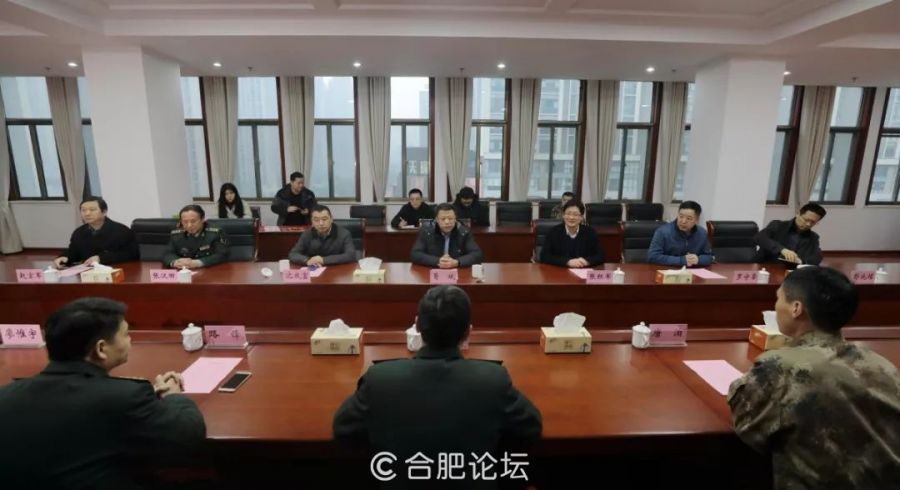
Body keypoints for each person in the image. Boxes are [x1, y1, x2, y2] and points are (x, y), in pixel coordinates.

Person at [333, 286, 542, 486]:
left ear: (417, 326)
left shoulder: (379, 379)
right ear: (468, 332)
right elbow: (531, 427)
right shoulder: (493, 379)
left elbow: (343, 428)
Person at [0, 297, 206, 490]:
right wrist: (173, 395)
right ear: (101, 349)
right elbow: (188, 435)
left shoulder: (6, 396)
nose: (130, 340)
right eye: (126, 334)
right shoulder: (124, 398)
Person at [728, 267, 900, 489]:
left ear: (796, 308)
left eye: (778, 298)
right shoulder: (882, 366)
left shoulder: (780, 367)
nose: (775, 306)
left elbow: (748, 424)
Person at [53, 197, 139, 268]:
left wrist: (101, 258)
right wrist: (65, 257)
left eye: (92, 210)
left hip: (116, 270)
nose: (87, 213)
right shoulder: (78, 232)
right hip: (88, 273)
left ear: (104, 212)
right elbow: (73, 251)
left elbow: (132, 254)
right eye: (83, 210)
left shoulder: (122, 231)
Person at [411, 203, 483, 268]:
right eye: (443, 219)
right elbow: (415, 254)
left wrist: (457, 262)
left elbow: (477, 254)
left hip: (457, 271)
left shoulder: (464, 232)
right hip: (434, 271)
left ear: (455, 219)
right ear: (437, 220)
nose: (447, 222)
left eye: (450, 218)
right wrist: (437, 261)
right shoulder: (426, 232)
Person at [755, 203, 826, 266]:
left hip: (792, 270)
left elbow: (817, 257)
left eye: (813, 222)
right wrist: (782, 249)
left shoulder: (813, 237)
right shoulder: (778, 225)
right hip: (766, 265)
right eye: (806, 220)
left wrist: (802, 261)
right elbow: (760, 237)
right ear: (798, 214)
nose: (808, 224)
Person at [647, 200, 713, 267]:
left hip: (692, 271)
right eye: (681, 216)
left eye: (688, 218)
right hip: (667, 270)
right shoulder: (663, 232)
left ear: (696, 220)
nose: (683, 221)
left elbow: (709, 257)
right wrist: (681, 260)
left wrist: (698, 259)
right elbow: (653, 257)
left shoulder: (702, 233)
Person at [161, 204, 229, 269]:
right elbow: (168, 253)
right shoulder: (176, 234)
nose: (189, 225)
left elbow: (222, 254)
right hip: (183, 271)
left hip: (209, 271)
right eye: (185, 222)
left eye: (193, 221)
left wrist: (198, 263)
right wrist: (175, 262)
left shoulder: (215, 233)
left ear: (203, 219)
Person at [540, 200, 604, 268]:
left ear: (581, 217)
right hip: (560, 271)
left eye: (575, 214)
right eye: (568, 214)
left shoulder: (590, 233)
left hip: (582, 270)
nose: (571, 217)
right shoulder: (553, 232)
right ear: (563, 215)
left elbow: (600, 256)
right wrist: (567, 262)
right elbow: (544, 256)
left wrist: (587, 261)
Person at [288, 205, 356, 266]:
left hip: (337, 270)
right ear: (312, 222)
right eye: (316, 220)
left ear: (331, 219)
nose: (321, 223)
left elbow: (351, 255)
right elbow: (293, 254)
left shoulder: (344, 234)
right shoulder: (307, 234)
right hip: (314, 270)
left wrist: (323, 260)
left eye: (324, 219)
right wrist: (307, 260)